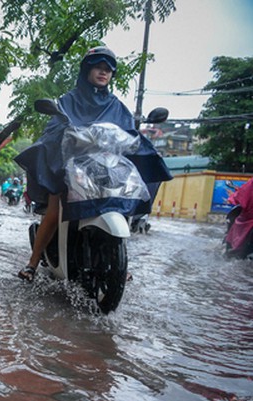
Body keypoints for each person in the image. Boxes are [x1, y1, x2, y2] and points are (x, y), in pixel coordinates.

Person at [15, 46, 172, 281]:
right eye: (99, 67)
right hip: (72, 167)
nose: (103, 72)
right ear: (87, 70)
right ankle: (33, 263)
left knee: (124, 201)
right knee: (55, 207)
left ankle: (120, 262)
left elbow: (129, 132)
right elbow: (54, 129)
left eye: (108, 69)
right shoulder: (68, 100)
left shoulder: (116, 106)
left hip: (106, 170)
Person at [225, 177, 253, 256]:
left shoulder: (251, 183)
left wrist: (231, 197)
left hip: (248, 218)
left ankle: (232, 250)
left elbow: (240, 197)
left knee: (236, 224)